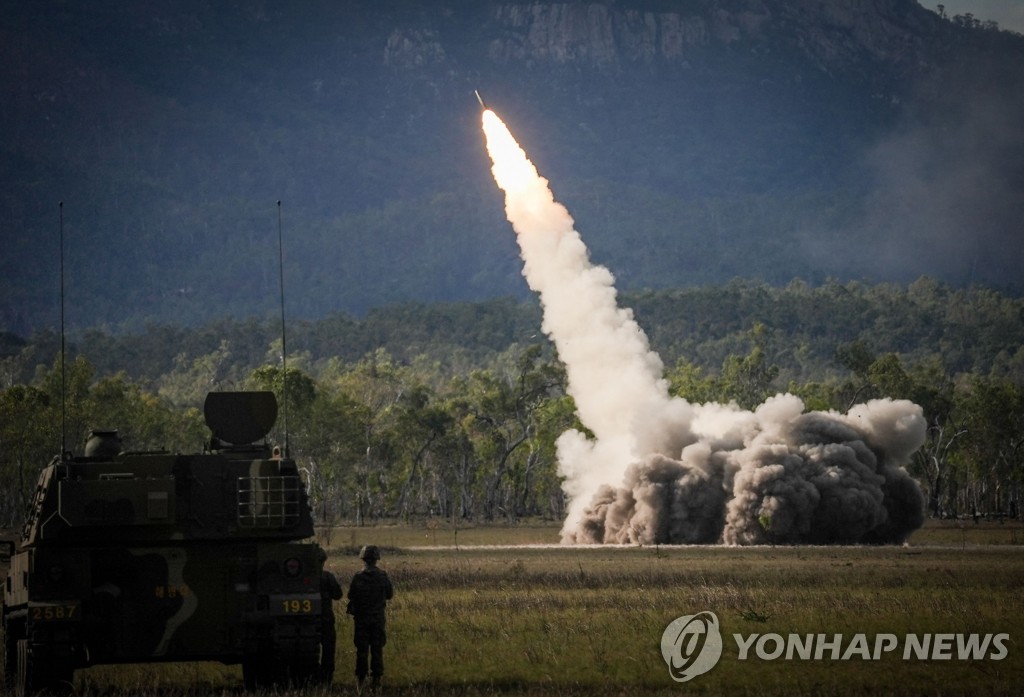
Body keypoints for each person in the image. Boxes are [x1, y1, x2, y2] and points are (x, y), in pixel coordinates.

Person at [346, 544, 394, 690]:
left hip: (361, 620)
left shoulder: (358, 577)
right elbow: (390, 595)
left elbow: (350, 595)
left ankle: (361, 680)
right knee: (377, 649)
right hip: (377, 619)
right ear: (376, 559)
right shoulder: (382, 576)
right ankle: (376, 680)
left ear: (363, 559)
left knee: (362, 650)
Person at [318, 548, 343, 685]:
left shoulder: (303, 577)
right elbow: (338, 595)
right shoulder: (327, 577)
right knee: (328, 650)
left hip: (306, 620)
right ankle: (326, 679)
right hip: (326, 619)